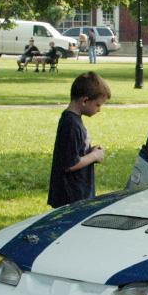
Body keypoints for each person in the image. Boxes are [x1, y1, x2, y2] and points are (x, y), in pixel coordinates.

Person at [47, 72, 111, 208]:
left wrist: (90, 151)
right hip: (70, 197)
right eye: (98, 105)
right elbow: (70, 164)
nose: (99, 110)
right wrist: (94, 156)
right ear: (85, 101)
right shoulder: (71, 124)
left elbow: (74, 151)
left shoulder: (73, 120)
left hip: (77, 193)